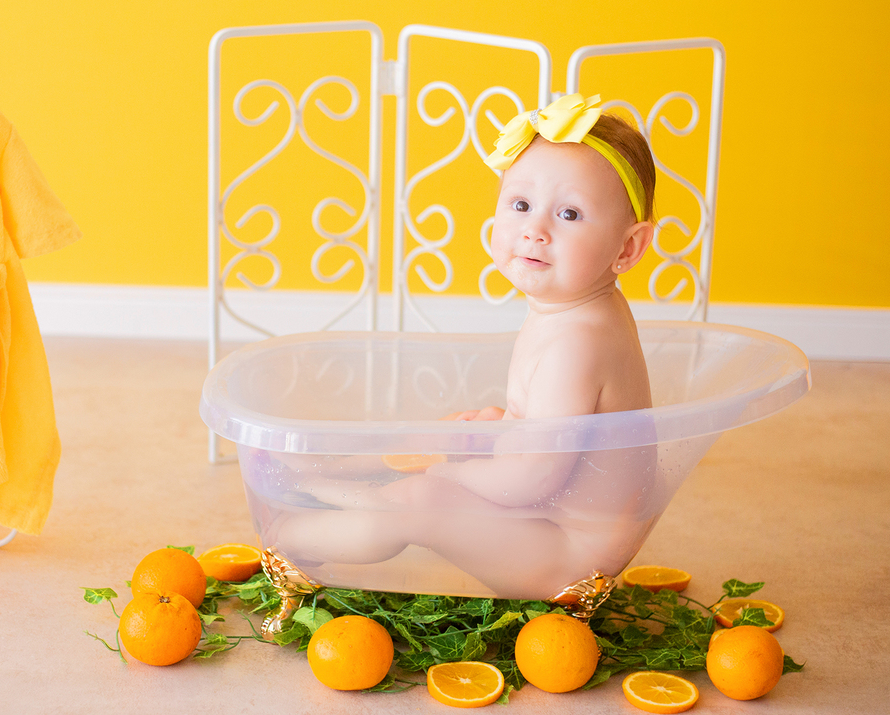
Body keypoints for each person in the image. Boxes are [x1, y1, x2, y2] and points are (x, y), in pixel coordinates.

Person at [268, 94, 659, 598]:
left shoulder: (578, 344)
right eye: (520, 205)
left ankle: (285, 540)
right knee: (458, 435)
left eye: (569, 213)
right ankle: (325, 484)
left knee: (421, 499)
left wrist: (449, 468)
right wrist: (502, 430)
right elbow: (564, 440)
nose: (535, 230)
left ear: (627, 248)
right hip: (553, 524)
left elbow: (533, 480)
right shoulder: (580, 310)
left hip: (568, 556)